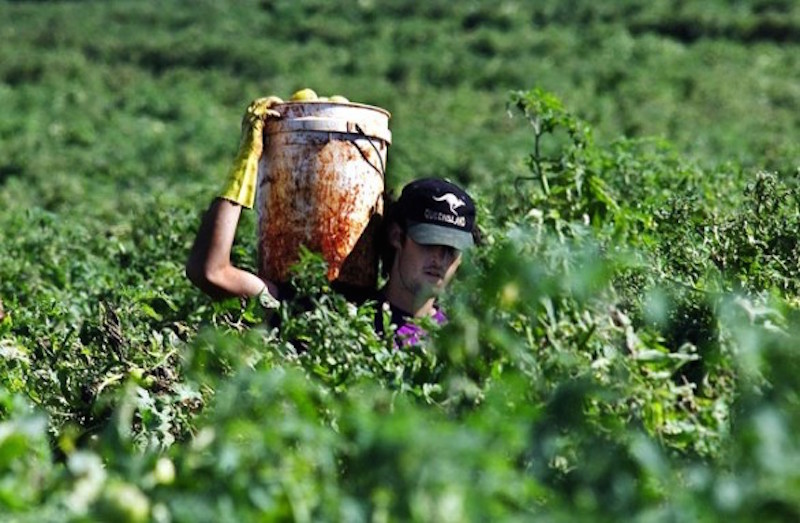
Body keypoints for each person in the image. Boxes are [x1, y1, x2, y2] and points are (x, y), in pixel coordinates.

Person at [186, 96, 478, 345]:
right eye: (429, 243)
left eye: (452, 249)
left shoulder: (458, 342)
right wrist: (247, 162)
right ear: (396, 236)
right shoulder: (330, 315)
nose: (440, 258)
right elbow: (212, 272)